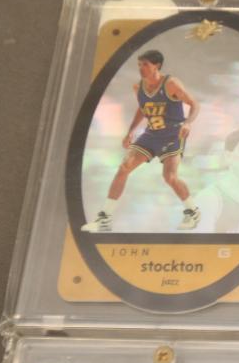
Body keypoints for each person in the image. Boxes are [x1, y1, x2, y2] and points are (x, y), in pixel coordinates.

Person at [82, 49, 201, 232]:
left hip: (173, 134)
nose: (141, 68)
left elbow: (194, 104)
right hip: (152, 134)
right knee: (124, 167)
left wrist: (188, 123)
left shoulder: (170, 84)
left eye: (145, 64)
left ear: (157, 66)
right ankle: (104, 219)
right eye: (139, 64)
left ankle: (192, 211)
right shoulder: (138, 87)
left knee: (170, 177)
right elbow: (142, 109)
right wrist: (130, 131)